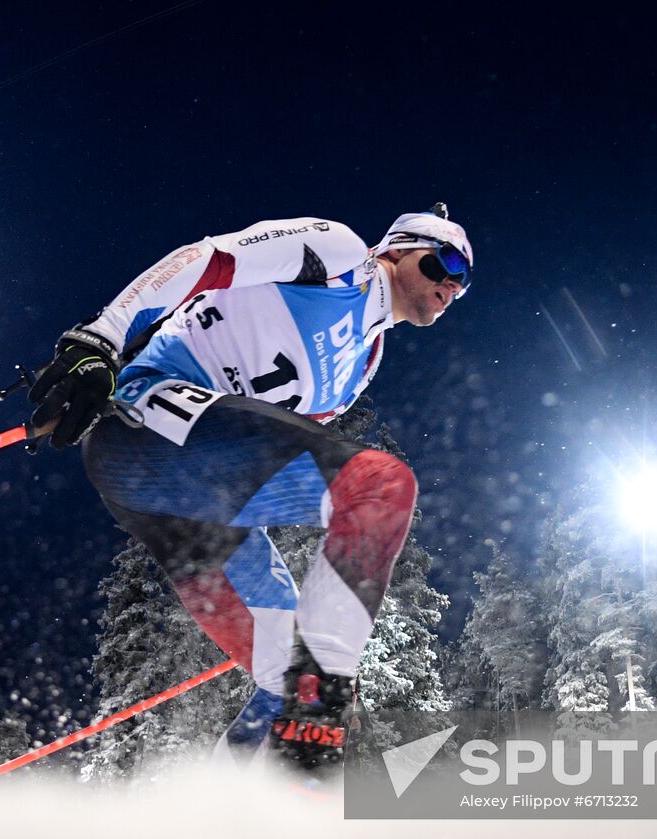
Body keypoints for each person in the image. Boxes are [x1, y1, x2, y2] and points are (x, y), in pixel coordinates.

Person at [28, 205, 473, 773]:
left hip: (197, 505)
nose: (452, 284)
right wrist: (102, 340)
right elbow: (205, 260)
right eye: (445, 262)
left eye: (463, 282)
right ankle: (319, 710)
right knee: (379, 486)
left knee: (285, 677)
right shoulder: (339, 257)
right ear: (398, 248)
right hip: (148, 429)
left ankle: (225, 818)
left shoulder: (362, 365)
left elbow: (265, 451)